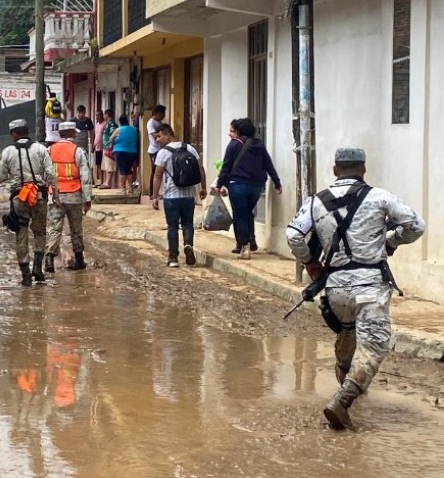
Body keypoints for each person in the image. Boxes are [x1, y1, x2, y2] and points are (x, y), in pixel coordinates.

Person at [285, 148, 425, 430]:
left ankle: (347, 375)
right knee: (373, 345)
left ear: (335, 170)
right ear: (363, 169)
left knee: (348, 333)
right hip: (370, 286)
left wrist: (310, 262)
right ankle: (344, 397)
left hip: (335, 288)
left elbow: (293, 234)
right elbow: (416, 226)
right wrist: (391, 240)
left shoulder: (315, 202)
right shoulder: (380, 197)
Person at [0, 118, 60, 286]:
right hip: (39, 196)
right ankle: (38, 268)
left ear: (14, 134)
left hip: (19, 198)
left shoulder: (8, 151)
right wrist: (56, 195)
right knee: (40, 232)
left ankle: (25, 275)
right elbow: (51, 174)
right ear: (27, 131)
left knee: (21, 234)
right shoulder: (41, 149)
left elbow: (0, 176)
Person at [214, 117, 282, 259]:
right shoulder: (259, 145)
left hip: (237, 185)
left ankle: (245, 248)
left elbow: (226, 167)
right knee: (247, 213)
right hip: (256, 188)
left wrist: (219, 185)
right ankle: (250, 239)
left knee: (240, 216)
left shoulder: (233, 145)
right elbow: (268, 165)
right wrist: (277, 183)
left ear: (238, 131)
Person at [151, 124, 207, 267]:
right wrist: (203, 188)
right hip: (189, 195)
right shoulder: (190, 148)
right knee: (188, 224)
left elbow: (157, 176)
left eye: (159, 136)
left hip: (171, 197)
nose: (157, 140)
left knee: (172, 226)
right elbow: (200, 169)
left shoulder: (163, 153)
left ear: (168, 134)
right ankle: (188, 245)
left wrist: (154, 196)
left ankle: (173, 258)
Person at [45, 121, 92, 272]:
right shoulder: (78, 151)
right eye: (75, 132)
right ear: (72, 133)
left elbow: (43, 174)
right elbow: (85, 177)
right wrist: (88, 199)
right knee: (76, 229)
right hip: (74, 195)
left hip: (55, 196)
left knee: (54, 228)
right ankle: (79, 260)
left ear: (60, 134)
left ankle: (49, 260)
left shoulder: (49, 150)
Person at [109, 115, 139, 194]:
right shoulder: (133, 130)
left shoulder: (118, 130)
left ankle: (123, 189)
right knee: (129, 170)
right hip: (132, 152)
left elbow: (110, 139)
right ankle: (130, 188)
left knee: (122, 170)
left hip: (120, 152)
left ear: (120, 122)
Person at [146, 105, 166, 198]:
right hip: (154, 150)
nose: (163, 116)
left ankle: (157, 192)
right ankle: (152, 193)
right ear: (157, 113)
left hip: (160, 150)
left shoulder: (159, 123)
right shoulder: (151, 123)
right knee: (155, 172)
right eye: (162, 114)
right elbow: (155, 136)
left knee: (161, 171)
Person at [100, 109, 117, 189]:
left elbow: (113, 135)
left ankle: (108, 183)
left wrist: (111, 144)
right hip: (106, 146)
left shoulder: (112, 124)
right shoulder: (107, 124)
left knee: (109, 166)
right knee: (106, 166)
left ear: (107, 115)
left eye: (104, 114)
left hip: (109, 147)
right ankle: (106, 182)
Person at [92, 109, 105, 187]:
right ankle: (100, 181)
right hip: (97, 148)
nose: (97, 117)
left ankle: (103, 181)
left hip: (103, 147)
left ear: (102, 115)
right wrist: (93, 145)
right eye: (96, 115)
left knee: (103, 165)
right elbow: (95, 135)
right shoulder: (96, 124)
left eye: (99, 115)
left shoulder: (104, 124)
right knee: (98, 164)